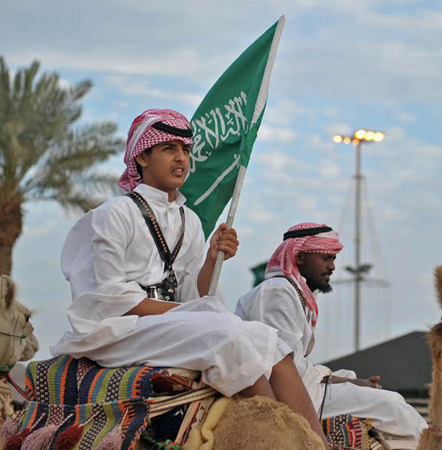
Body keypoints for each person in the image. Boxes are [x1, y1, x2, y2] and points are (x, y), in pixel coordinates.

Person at [50, 109, 328, 444]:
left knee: (273, 344)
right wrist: (190, 313)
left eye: (185, 150)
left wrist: (211, 260)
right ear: (142, 158)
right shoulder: (114, 214)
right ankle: (278, 439)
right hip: (119, 331)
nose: (181, 158)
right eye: (169, 149)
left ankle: (315, 443)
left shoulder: (189, 221)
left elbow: (194, 293)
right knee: (226, 333)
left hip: (172, 324)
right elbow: (108, 299)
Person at [235, 222, 428, 448]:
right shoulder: (278, 291)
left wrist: (351, 382)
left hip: (306, 386)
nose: (332, 266)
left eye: (334, 259)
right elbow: (282, 369)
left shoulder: (295, 293)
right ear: (299, 257)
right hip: (288, 394)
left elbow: (297, 365)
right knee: (392, 406)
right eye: (325, 258)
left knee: (362, 384)